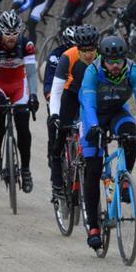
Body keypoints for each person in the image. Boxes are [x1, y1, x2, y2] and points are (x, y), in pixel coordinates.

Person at [79, 35, 136, 251]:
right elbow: (89, 104)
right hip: (93, 116)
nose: (116, 66)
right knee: (92, 168)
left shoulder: (132, 70)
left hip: (117, 112)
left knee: (129, 135)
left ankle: (124, 180)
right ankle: (93, 227)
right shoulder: (92, 72)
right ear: (103, 59)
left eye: (119, 60)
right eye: (111, 61)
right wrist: (93, 127)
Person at [0, 10, 40, 193]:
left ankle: (26, 170)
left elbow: (32, 74)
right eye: (7, 33)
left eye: (15, 33)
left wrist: (33, 95)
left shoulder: (26, 45)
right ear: (0, 31)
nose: (11, 37)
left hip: (18, 85)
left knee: (23, 125)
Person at [48, 24, 99, 194]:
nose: (88, 54)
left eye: (91, 49)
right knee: (61, 131)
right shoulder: (67, 57)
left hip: (91, 96)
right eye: (84, 49)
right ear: (77, 47)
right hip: (71, 94)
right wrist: (54, 114)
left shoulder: (102, 56)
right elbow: (56, 90)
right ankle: (56, 174)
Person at [42, 25, 77, 166]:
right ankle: (53, 155)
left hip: (76, 96)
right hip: (57, 95)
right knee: (53, 125)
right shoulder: (55, 56)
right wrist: (51, 97)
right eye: (71, 45)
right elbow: (48, 81)